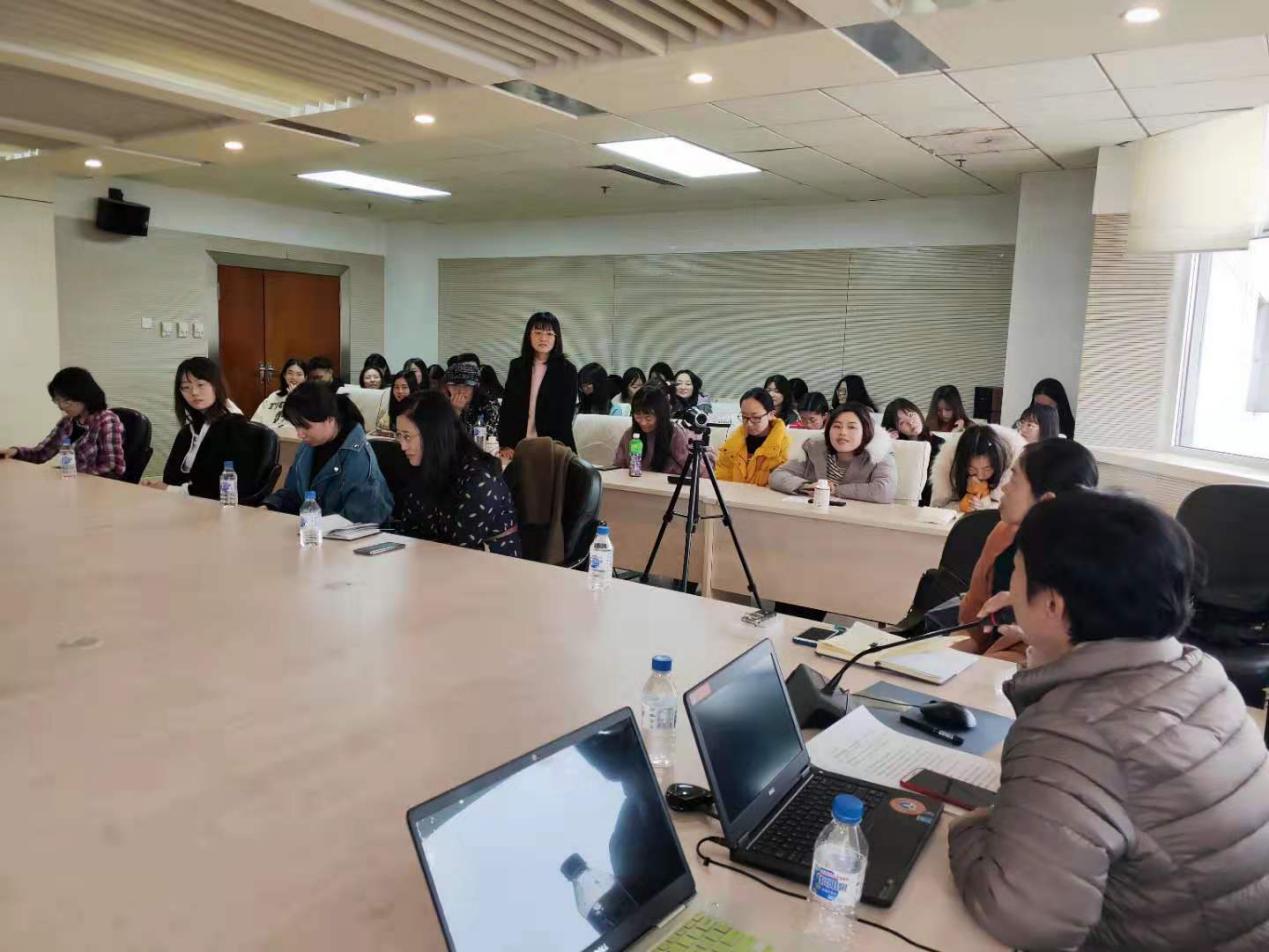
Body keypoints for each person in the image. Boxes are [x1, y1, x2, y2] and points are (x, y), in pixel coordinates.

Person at [948, 491, 1269, 952]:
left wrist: (969, 826)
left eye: (1016, 571)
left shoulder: (1075, 729)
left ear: (1053, 605)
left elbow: (1023, 917)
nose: (1012, 589)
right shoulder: (1200, 671)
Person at [955, 439, 1099, 661]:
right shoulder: (1003, 533)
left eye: (1014, 479)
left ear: (1046, 501)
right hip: (992, 649)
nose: (1004, 487)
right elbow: (973, 618)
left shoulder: (1084, 560)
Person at [385, 392, 521, 556]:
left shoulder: (478, 479)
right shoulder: (423, 466)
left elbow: (459, 551)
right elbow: (408, 529)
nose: (402, 446)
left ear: (434, 433)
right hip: (433, 558)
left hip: (489, 563)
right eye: (399, 435)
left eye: (407, 436)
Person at [263, 382, 392, 523]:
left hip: (346, 533)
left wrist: (318, 528)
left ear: (330, 419)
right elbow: (293, 493)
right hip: (312, 531)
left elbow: (359, 520)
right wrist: (269, 506)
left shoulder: (359, 458)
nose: (300, 434)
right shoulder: (308, 446)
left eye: (305, 427)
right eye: (296, 426)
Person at [146, 357, 256, 498]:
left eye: (200, 384)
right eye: (186, 387)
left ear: (216, 385)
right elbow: (170, 476)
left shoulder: (234, 426)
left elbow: (221, 486)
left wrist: (169, 490)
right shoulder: (189, 431)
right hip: (183, 502)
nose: (194, 392)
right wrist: (160, 487)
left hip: (218, 506)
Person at [1, 367, 125, 477]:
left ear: (84, 396)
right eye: (57, 400)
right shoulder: (67, 422)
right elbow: (42, 453)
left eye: (66, 401)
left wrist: (72, 474)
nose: (61, 406)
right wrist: (14, 451)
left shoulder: (106, 421)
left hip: (99, 487)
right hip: (72, 482)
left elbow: (111, 466)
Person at [769, 402, 897, 503]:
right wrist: (806, 486)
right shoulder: (815, 447)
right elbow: (777, 476)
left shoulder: (879, 452)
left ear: (866, 431)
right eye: (837, 426)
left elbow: (885, 491)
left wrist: (834, 490)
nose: (843, 432)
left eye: (851, 427)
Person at [497, 311, 578, 459]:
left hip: (553, 448)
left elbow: (565, 417)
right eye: (538, 332)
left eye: (549, 334)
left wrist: (552, 449)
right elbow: (508, 409)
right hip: (518, 446)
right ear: (529, 335)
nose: (543, 338)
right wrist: (506, 444)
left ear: (556, 338)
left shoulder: (567, 370)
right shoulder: (517, 366)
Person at [929, 424, 1021, 512]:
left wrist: (986, 508)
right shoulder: (949, 465)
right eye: (972, 469)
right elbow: (940, 505)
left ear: (998, 464)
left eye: (987, 469)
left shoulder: (1012, 466)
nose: (980, 476)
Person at [715, 388, 791, 487]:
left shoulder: (784, 446)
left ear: (771, 415)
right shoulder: (732, 444)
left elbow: (779, 484)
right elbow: (722, 480)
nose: (749, 424)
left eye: (756, 418)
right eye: (744, 417)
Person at [613, 386, 691, 475]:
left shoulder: (674, 434)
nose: (643, 423)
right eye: (638, 416)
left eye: (648, 418)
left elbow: (691, 468)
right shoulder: (630, 434)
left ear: (661, 415)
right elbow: (618, 466)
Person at [882, 397, 944, 506]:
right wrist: (888, 444)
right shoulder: (896, 448)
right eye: (902, 423)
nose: (911, 423)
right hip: (900, 503)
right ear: (895, 428)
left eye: (911, 415)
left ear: (918, 412)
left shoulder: (939, 444)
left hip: (930, 503)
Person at [443, 360, 500, 438]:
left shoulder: (489, 406)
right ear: (447, 387)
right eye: (455, 386)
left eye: (466, 386)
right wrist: (455, 412)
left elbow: (484, 439)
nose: (460, 391)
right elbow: (441, 438)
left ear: (475, 388)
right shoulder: (442, 406)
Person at [251, 357, 307, 433]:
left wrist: (294, 398)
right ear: (284, 375)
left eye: (299, 374)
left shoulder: (309, 397)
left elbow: (304, 423)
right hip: (267, 435)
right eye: (290, 373)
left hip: (290, 437)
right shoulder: (274, 396)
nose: (294, 377)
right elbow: (256, 421)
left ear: (305, 378)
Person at [376, 371, 419, 435]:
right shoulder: (392, 407)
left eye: (404, 387)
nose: (400, 391)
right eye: (396, 387)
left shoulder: (418, 409)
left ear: (412, 389)